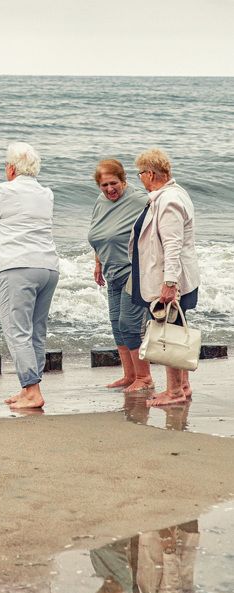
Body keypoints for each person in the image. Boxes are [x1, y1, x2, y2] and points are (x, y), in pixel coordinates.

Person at [0, 142, 59, 410]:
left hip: (18, 267)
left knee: (17, 331)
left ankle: (32, 391)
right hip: (48, 267)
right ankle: (28, 388)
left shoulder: (4, 192)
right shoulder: (46, 194)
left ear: (10, 168)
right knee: (36, 331)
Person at [130, 148, 200, 407]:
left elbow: (173, 245)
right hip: (172, 276)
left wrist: (170, 283)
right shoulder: (170, 194)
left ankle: (174, 391)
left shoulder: (169, 200)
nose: (140, 179)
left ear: (150, 174)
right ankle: (182, 385)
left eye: (140, 174)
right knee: (175, 329)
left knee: (170, 331)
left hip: (171, 279)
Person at [88, 159, 153, 392]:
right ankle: (130, 375)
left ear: (123, 180)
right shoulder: (100, 201)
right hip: (111, 271)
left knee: (129, 324)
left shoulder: (140, 199)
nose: (109, 189)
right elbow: (99, 234)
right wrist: (98, 263)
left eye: (113, 183)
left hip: (134, 271)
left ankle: (144, 378)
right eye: (104, 185)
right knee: (116, 324)